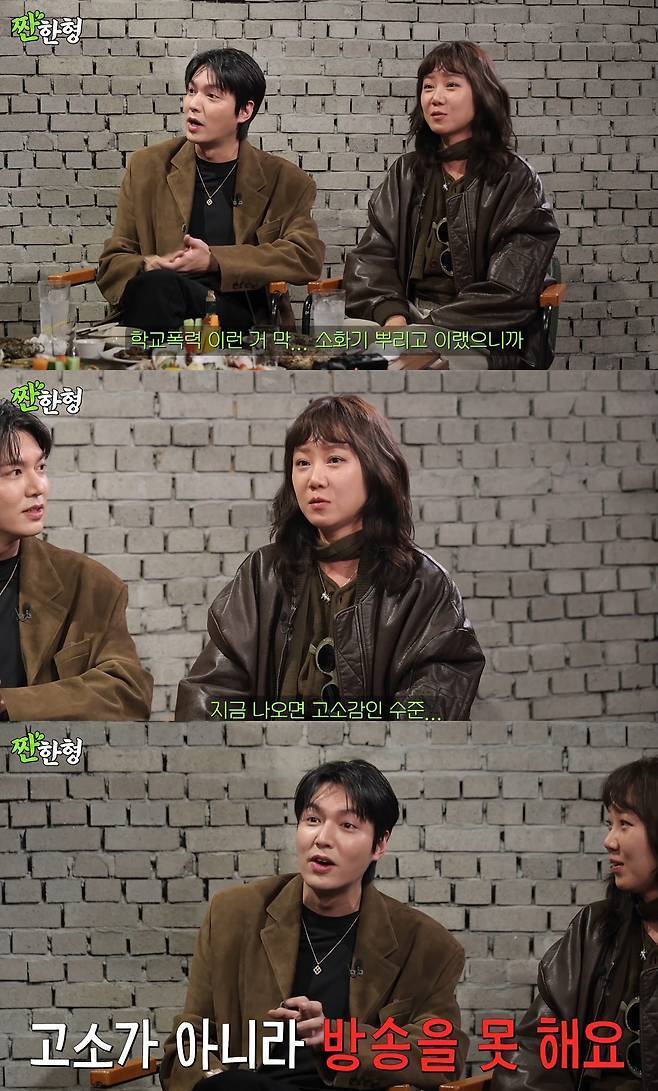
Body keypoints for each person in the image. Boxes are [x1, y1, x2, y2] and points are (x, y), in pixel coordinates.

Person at [159, 759, 468, 1091]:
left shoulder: (427, 945)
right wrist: (213, 1080)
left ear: (379, 844)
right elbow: (188, 1041)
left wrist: (338, 1039)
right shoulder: (233, 915)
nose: (323, 838)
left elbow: (442, 1057)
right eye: (313, 820)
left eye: (347, 825)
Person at [175, 395, 484, 720]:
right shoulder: (263, 574)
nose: (314, 479)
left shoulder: (423, 584)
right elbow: (210, 694)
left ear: (377, 468)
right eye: (302, 463)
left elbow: (429, 708)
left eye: (334, 460)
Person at [343, 41, 561, 369]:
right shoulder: (405, 173)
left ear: (483, 94)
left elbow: (509, 289)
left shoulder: (516, 180)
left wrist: (428, 331)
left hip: (483, 331)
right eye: (428, 86)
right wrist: (393, 317)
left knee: (408, 367)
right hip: (406, 317)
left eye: (452, 85)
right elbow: (372, 257)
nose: (436, 97)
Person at [97, 48, 324, 333]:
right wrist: (148, 264)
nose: (193, 104)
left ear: (244, 111)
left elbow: (305, 256)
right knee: (160, 286)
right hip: (158, 299)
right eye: (191, 91)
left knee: (161, 289)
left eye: (212, 96)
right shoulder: (148, 168)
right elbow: (112, 261)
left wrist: (215, 261)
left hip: (238, 316)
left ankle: (152, 358)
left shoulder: (286, 180)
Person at [492, 756, 658, 1091]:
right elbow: (536, 1049)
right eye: (610, 824)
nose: (609, 840)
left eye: (625, 824)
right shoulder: (595, 930)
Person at [0, 400, 153, 720]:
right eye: (15, 472)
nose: (38, 487)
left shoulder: (89, 585)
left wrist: (10, 703)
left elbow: (127, 693)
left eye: (41, 468)